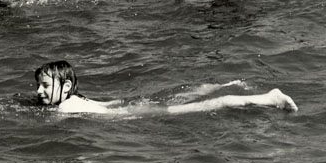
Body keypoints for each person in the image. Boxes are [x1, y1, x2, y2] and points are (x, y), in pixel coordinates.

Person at [34, 60, 297, 114]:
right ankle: (225, 83)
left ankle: (269, 98)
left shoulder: (66, 107)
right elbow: (108, 104)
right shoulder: (78, 99)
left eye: (45, 85)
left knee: (209, 106)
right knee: (185, 97)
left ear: (66, 85)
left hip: (139, 114)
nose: (39, 91)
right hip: (135, 106)